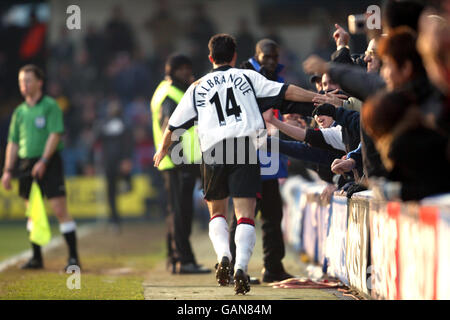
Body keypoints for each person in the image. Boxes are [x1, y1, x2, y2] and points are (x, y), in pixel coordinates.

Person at [153, 34, 320, 294]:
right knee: (245, 214)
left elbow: (174, 123)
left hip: (213, 149)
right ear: (234, 55)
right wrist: (318, 98)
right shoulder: (247, 76)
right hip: (243, 146)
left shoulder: (198, 85)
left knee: (217, 213)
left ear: (210, 58)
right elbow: (286, 91)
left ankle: (223, 257)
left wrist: (163, 148)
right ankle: (241, 265)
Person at [1, 64, 80, 271]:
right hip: (26, 163)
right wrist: (8, 170)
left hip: (49, 161)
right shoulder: (19, 112)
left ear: (39, 83)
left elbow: (55, 134)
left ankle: (73, 258)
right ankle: (36, 258)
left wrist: (44, 161)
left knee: (59, 209)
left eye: (28, 80)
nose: (24, 85)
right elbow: (13, 142)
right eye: (21, 81)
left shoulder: (50, 106)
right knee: (32, 211)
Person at [231, 38, 293, 284]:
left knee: (272, 215)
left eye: (274, 57)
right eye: (265, 56)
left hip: (268, 155)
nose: (270, 61)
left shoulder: (275, 77)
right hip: (248, 156)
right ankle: (234, 267)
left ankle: (273, 268)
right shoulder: (245, 76)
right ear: (256, 55)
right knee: (244, 216)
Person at [150, 53, 211, 275]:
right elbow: (170, 126)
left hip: (179, 161)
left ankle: (174, 258)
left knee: (176, 212)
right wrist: (179, 159)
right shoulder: (170, 94)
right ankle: (184, 260)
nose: (188, 72)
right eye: (183, 69)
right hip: (178, 162)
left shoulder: (167, 91)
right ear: (173, 72)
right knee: (181, 213)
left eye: (189, 68)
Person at [96, 100, 133, 232]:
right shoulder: (104, 124)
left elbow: (129, 142)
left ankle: (127, 184)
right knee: (110, 192)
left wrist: (127, 159)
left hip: (121, 161)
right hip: (108, 163)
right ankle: (114, 220)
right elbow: (96, 139)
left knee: (125, 186)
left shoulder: (125, 123)